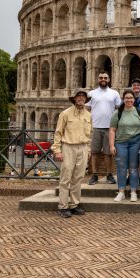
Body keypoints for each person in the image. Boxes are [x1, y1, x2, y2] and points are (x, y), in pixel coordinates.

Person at [52, 89, 92, 218]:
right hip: (68, 147)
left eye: (83, 96)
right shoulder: (65, 114)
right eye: (78, 96)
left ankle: (74, 204)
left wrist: (89, 149)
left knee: (78, 178)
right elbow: (58, 133)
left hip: (83, 147)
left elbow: (90, 133)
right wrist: (57, 150)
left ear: (86, 99)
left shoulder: (88, 115)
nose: (81, 98)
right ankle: (63, 206)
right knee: (66, 177)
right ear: (74, 99)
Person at [86, 72, 121, 185]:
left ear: (109, 79)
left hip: (109, 128)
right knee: (94, 152)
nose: (103, 79)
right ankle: (94, 175)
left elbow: (119, 109)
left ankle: (109, 174)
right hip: (95, 127)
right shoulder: (91, 93)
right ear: (98, 79)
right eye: (101, 77)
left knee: (108, 153)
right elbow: (86, 110)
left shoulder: (114, 93)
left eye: (105, 77)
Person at [109, 90, 140, 203]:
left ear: (134, 99)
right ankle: (121, 192)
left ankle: (133, 192)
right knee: (121, 167)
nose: (129, 100)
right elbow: (112, 130)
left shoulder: (139, 112)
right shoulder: (117, 113)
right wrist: (111, 145)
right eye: (126, 98)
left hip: (135, 142)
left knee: (133, 168)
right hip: (121, 142)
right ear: (123, 99)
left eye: (131, 98)